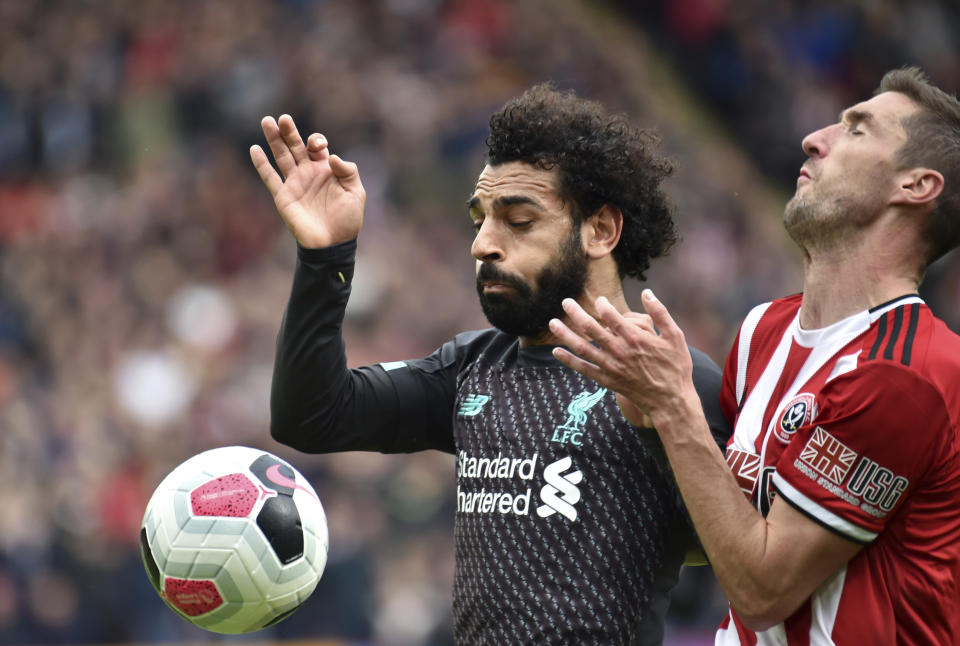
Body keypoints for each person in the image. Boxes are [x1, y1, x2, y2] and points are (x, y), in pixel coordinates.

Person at [249, 84, 731, 645]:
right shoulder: (473, 369)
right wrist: (323, 258)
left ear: (600, 230)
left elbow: (729, 558)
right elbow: (309, 416)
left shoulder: (677, 380)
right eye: (480, 219)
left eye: (518, 221)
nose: (483, 244)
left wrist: (665, 418)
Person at [549, 67, 960, 645]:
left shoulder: (902, 374)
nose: (815, 138)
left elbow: (763, 590)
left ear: (916, 186)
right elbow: (724, 529)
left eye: (858, 130)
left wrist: (673, 406)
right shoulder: (763, 330)